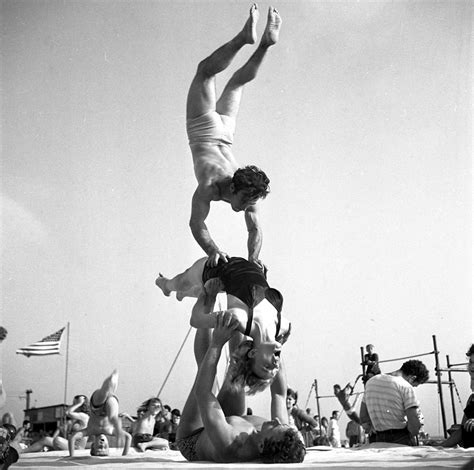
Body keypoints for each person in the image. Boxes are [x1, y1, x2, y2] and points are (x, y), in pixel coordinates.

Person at [185, 3, 282, 268]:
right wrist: (213, 249)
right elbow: (196, 222)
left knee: (237, 81)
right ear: (233, 188)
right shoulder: (211, 185)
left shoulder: (249, 193)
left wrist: (254, 259)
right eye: (244, 200)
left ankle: (264, 44)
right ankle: (245, 39)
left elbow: (254, 230)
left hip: (225, 131)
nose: (245, 207)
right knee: (205, 71)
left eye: (250, 202)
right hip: (204, 130)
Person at [176, 311, 305, 463]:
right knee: (238, 375)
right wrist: (276, 348)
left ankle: (207, 303)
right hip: (230, 422)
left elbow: (203, 393)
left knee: (203, 375)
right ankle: (236, 308)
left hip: (194, 436)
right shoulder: (281, 433)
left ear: (262, 446)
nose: (277, 420)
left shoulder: (231, 445)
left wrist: (217, 343)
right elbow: (279, 394)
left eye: (275, 427)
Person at [156, 256, 291, 394]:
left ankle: (165, 285)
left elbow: (196, 320)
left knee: (182, 281)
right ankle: (184, 294)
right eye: (274, 369)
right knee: (187, 285)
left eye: (266, 366)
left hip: (220, 269)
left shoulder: (238, 319)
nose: (276, 364)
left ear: (253, 353)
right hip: (251, 268)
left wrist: (208, 294)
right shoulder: (284, 327)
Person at [360, 359, 429, 445]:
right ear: (412, 378)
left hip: (377, 438)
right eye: (415, 385)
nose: (413, 387)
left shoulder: (371, 382)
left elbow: (363, 417)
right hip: (401, 437)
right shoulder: (406, 386)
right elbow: (414, 427)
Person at [68, 369, 131, 457]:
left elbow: (73, 437)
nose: (102, 445)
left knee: (103, 394)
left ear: (93, 446)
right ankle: (110, 385)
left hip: (97, 408)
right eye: (105, 447)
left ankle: (110, 383)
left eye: (99, 448)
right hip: (110, 409)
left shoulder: (90, 431)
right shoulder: (110, 431)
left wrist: (71, 456)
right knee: (112, 417)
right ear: (108, 445)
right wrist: (124, 455)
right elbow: (128, 437)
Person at [442, 344, 474, 448]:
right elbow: (462, 430)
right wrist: (441, 446)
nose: (472, 367)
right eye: (471, 362)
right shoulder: (472, 399)